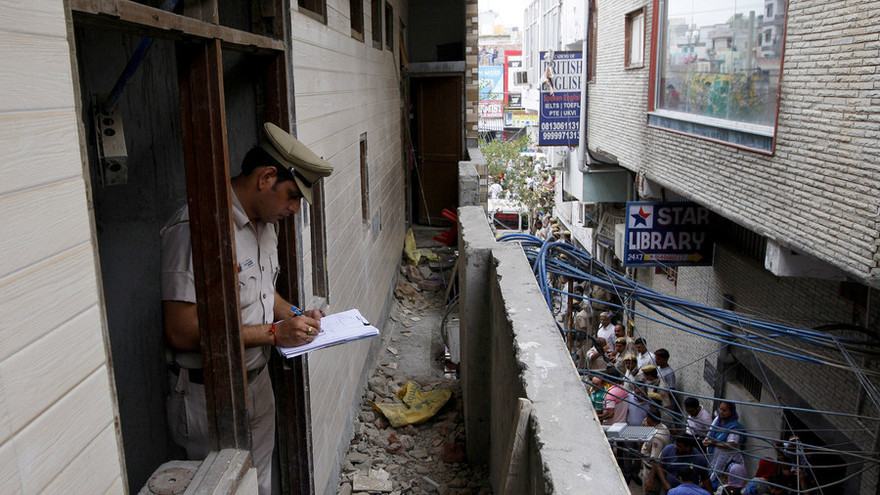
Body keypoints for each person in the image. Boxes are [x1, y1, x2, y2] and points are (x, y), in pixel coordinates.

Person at [161, 122, 333, 495]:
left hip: (257, 381)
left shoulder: (265, 224)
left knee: (261, 481)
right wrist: (273, 334)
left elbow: (263, 294)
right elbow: (180, 331)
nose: (294, 208)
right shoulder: (197, 228)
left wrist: (295, 315)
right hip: (208, 394)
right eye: (292, 196)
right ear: (266, 178)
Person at [703, 402, 746, 487]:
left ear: (731, 412)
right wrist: (706, 439)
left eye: (725, 410)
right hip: (714, 456)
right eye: (721, 409)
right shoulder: (717, 420)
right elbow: (711, 431)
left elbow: (732, 444)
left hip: (726, 458)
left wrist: (714, 443)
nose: (721, 412)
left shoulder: (734, 428)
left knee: (720, 478)